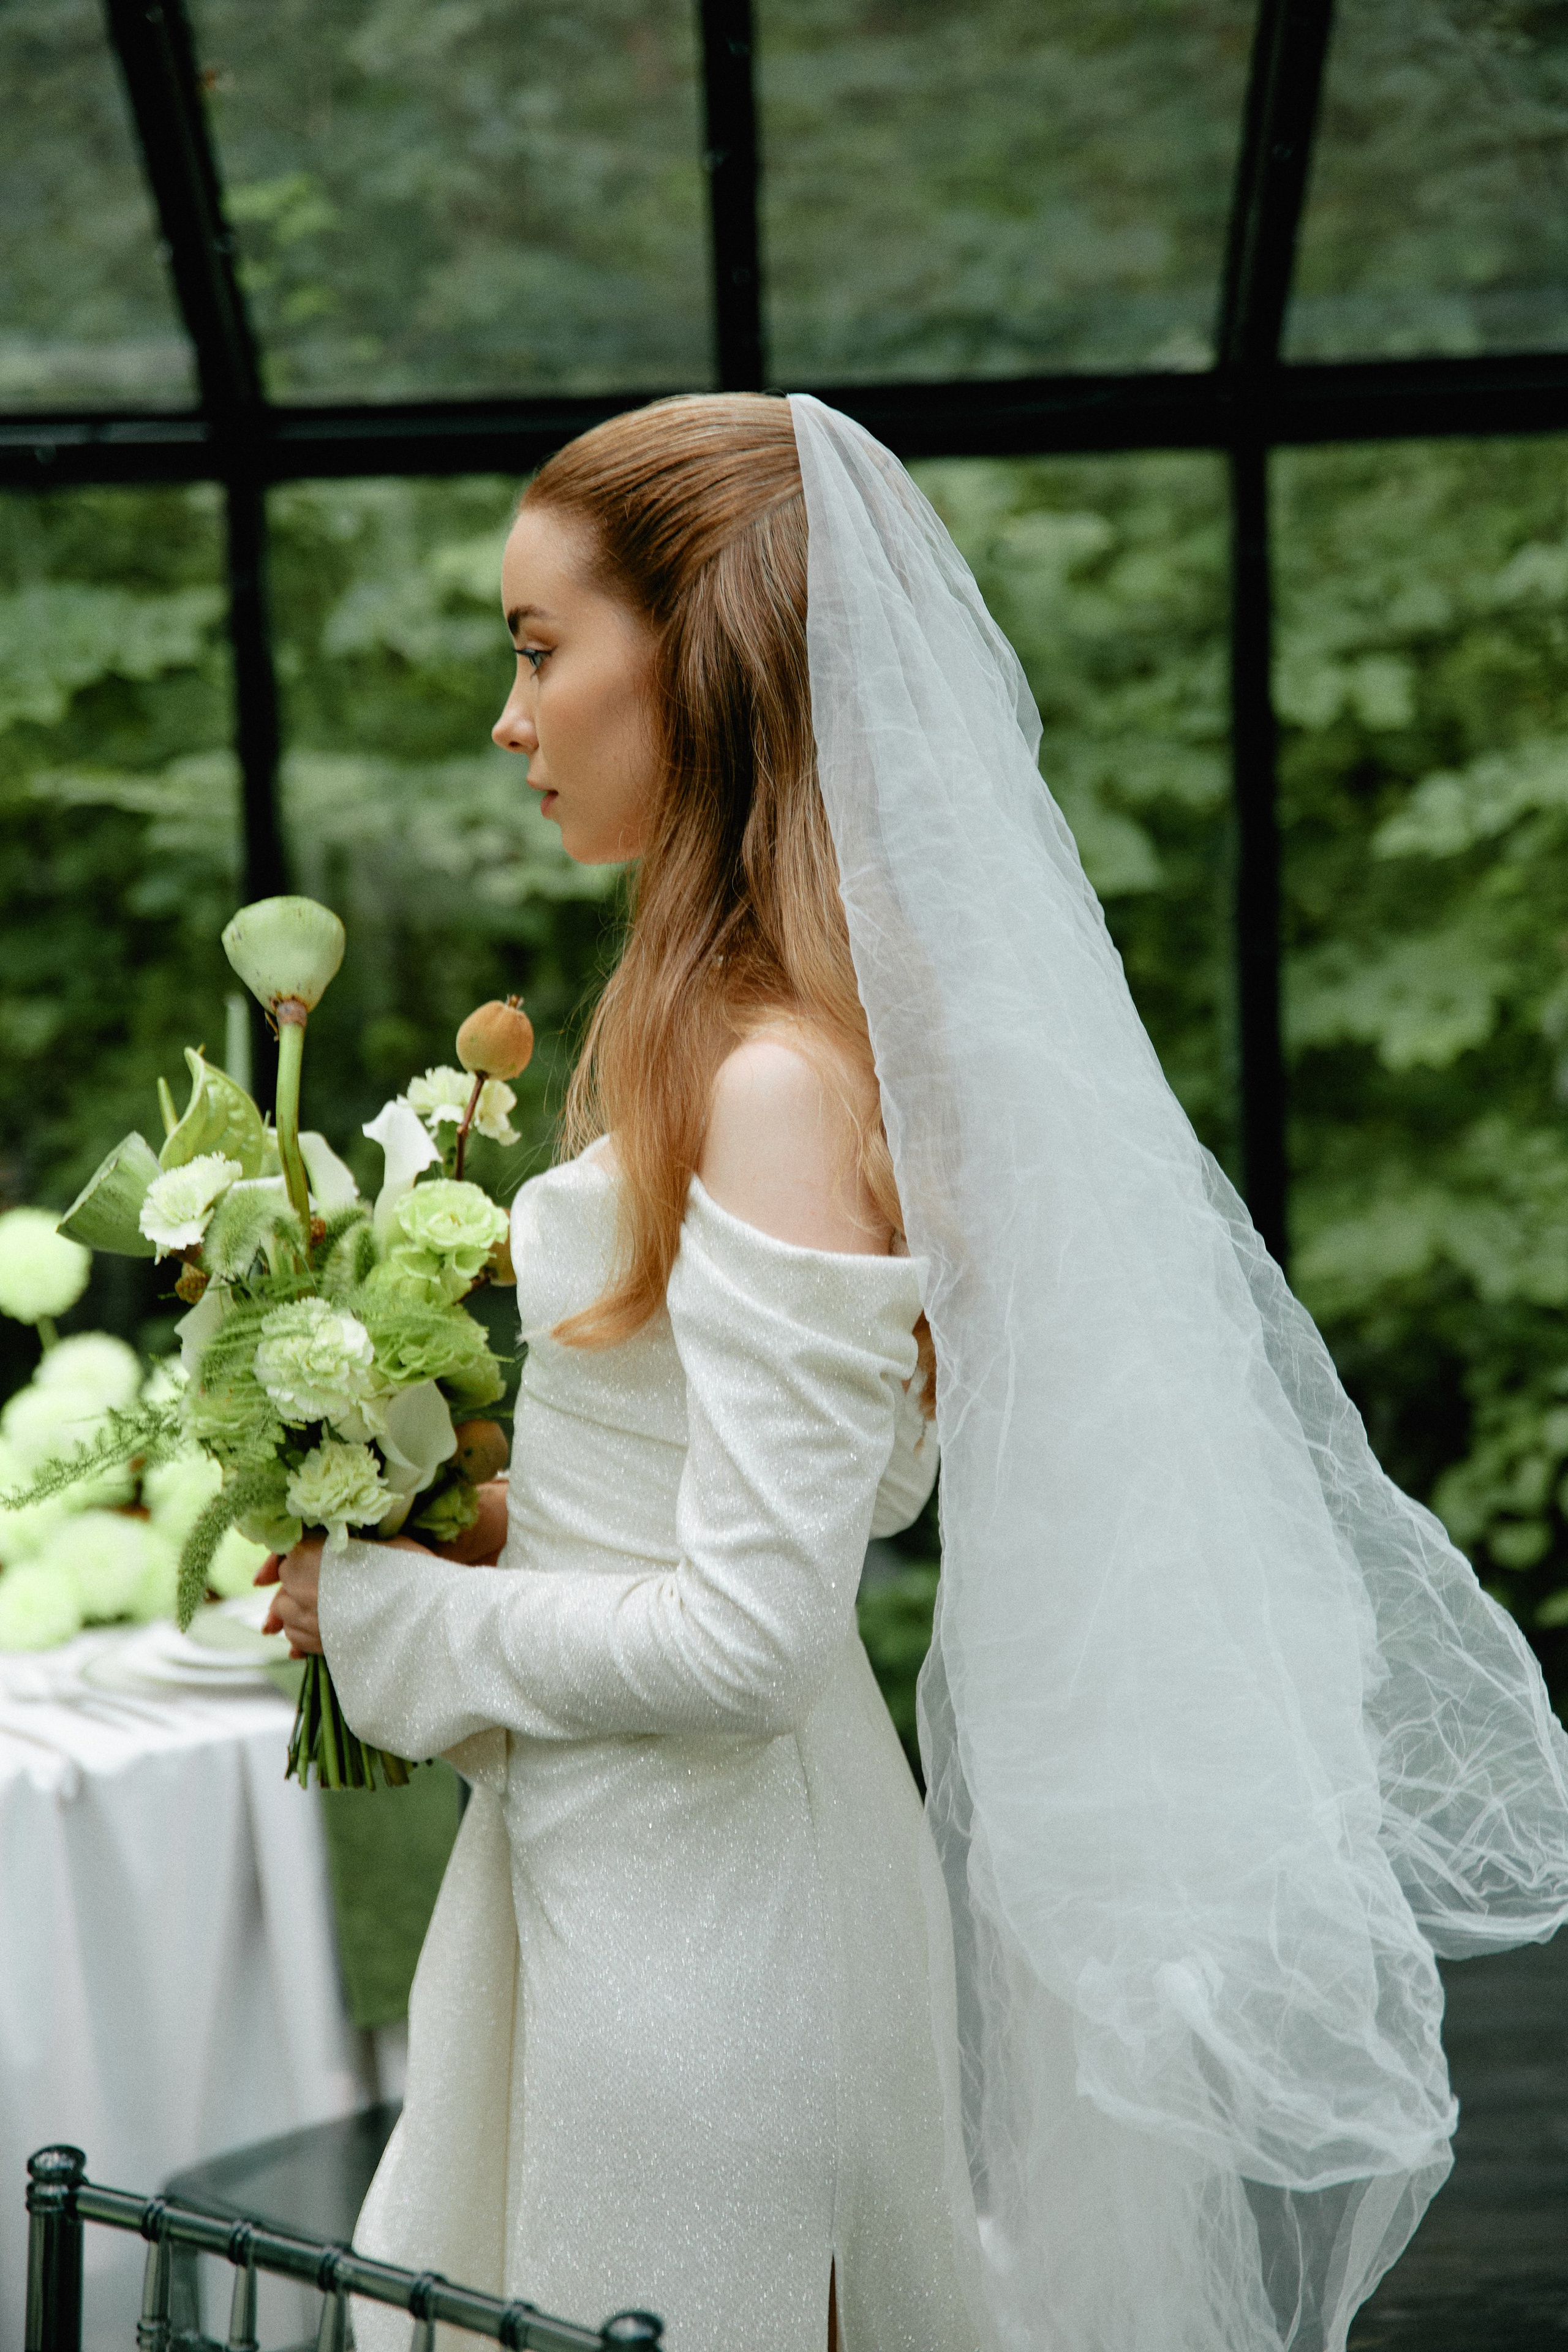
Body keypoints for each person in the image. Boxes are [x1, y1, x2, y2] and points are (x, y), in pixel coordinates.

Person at [263, 394, 1568, 2352]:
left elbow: (751, 1643)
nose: (512, 721)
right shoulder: (709, 1033)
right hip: (621, 1888)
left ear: (696, 662)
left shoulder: (776, 1080)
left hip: (703, 1944)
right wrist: (472, 1522)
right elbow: (784, 1493)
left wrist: (388, 1612)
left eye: (541, 653)